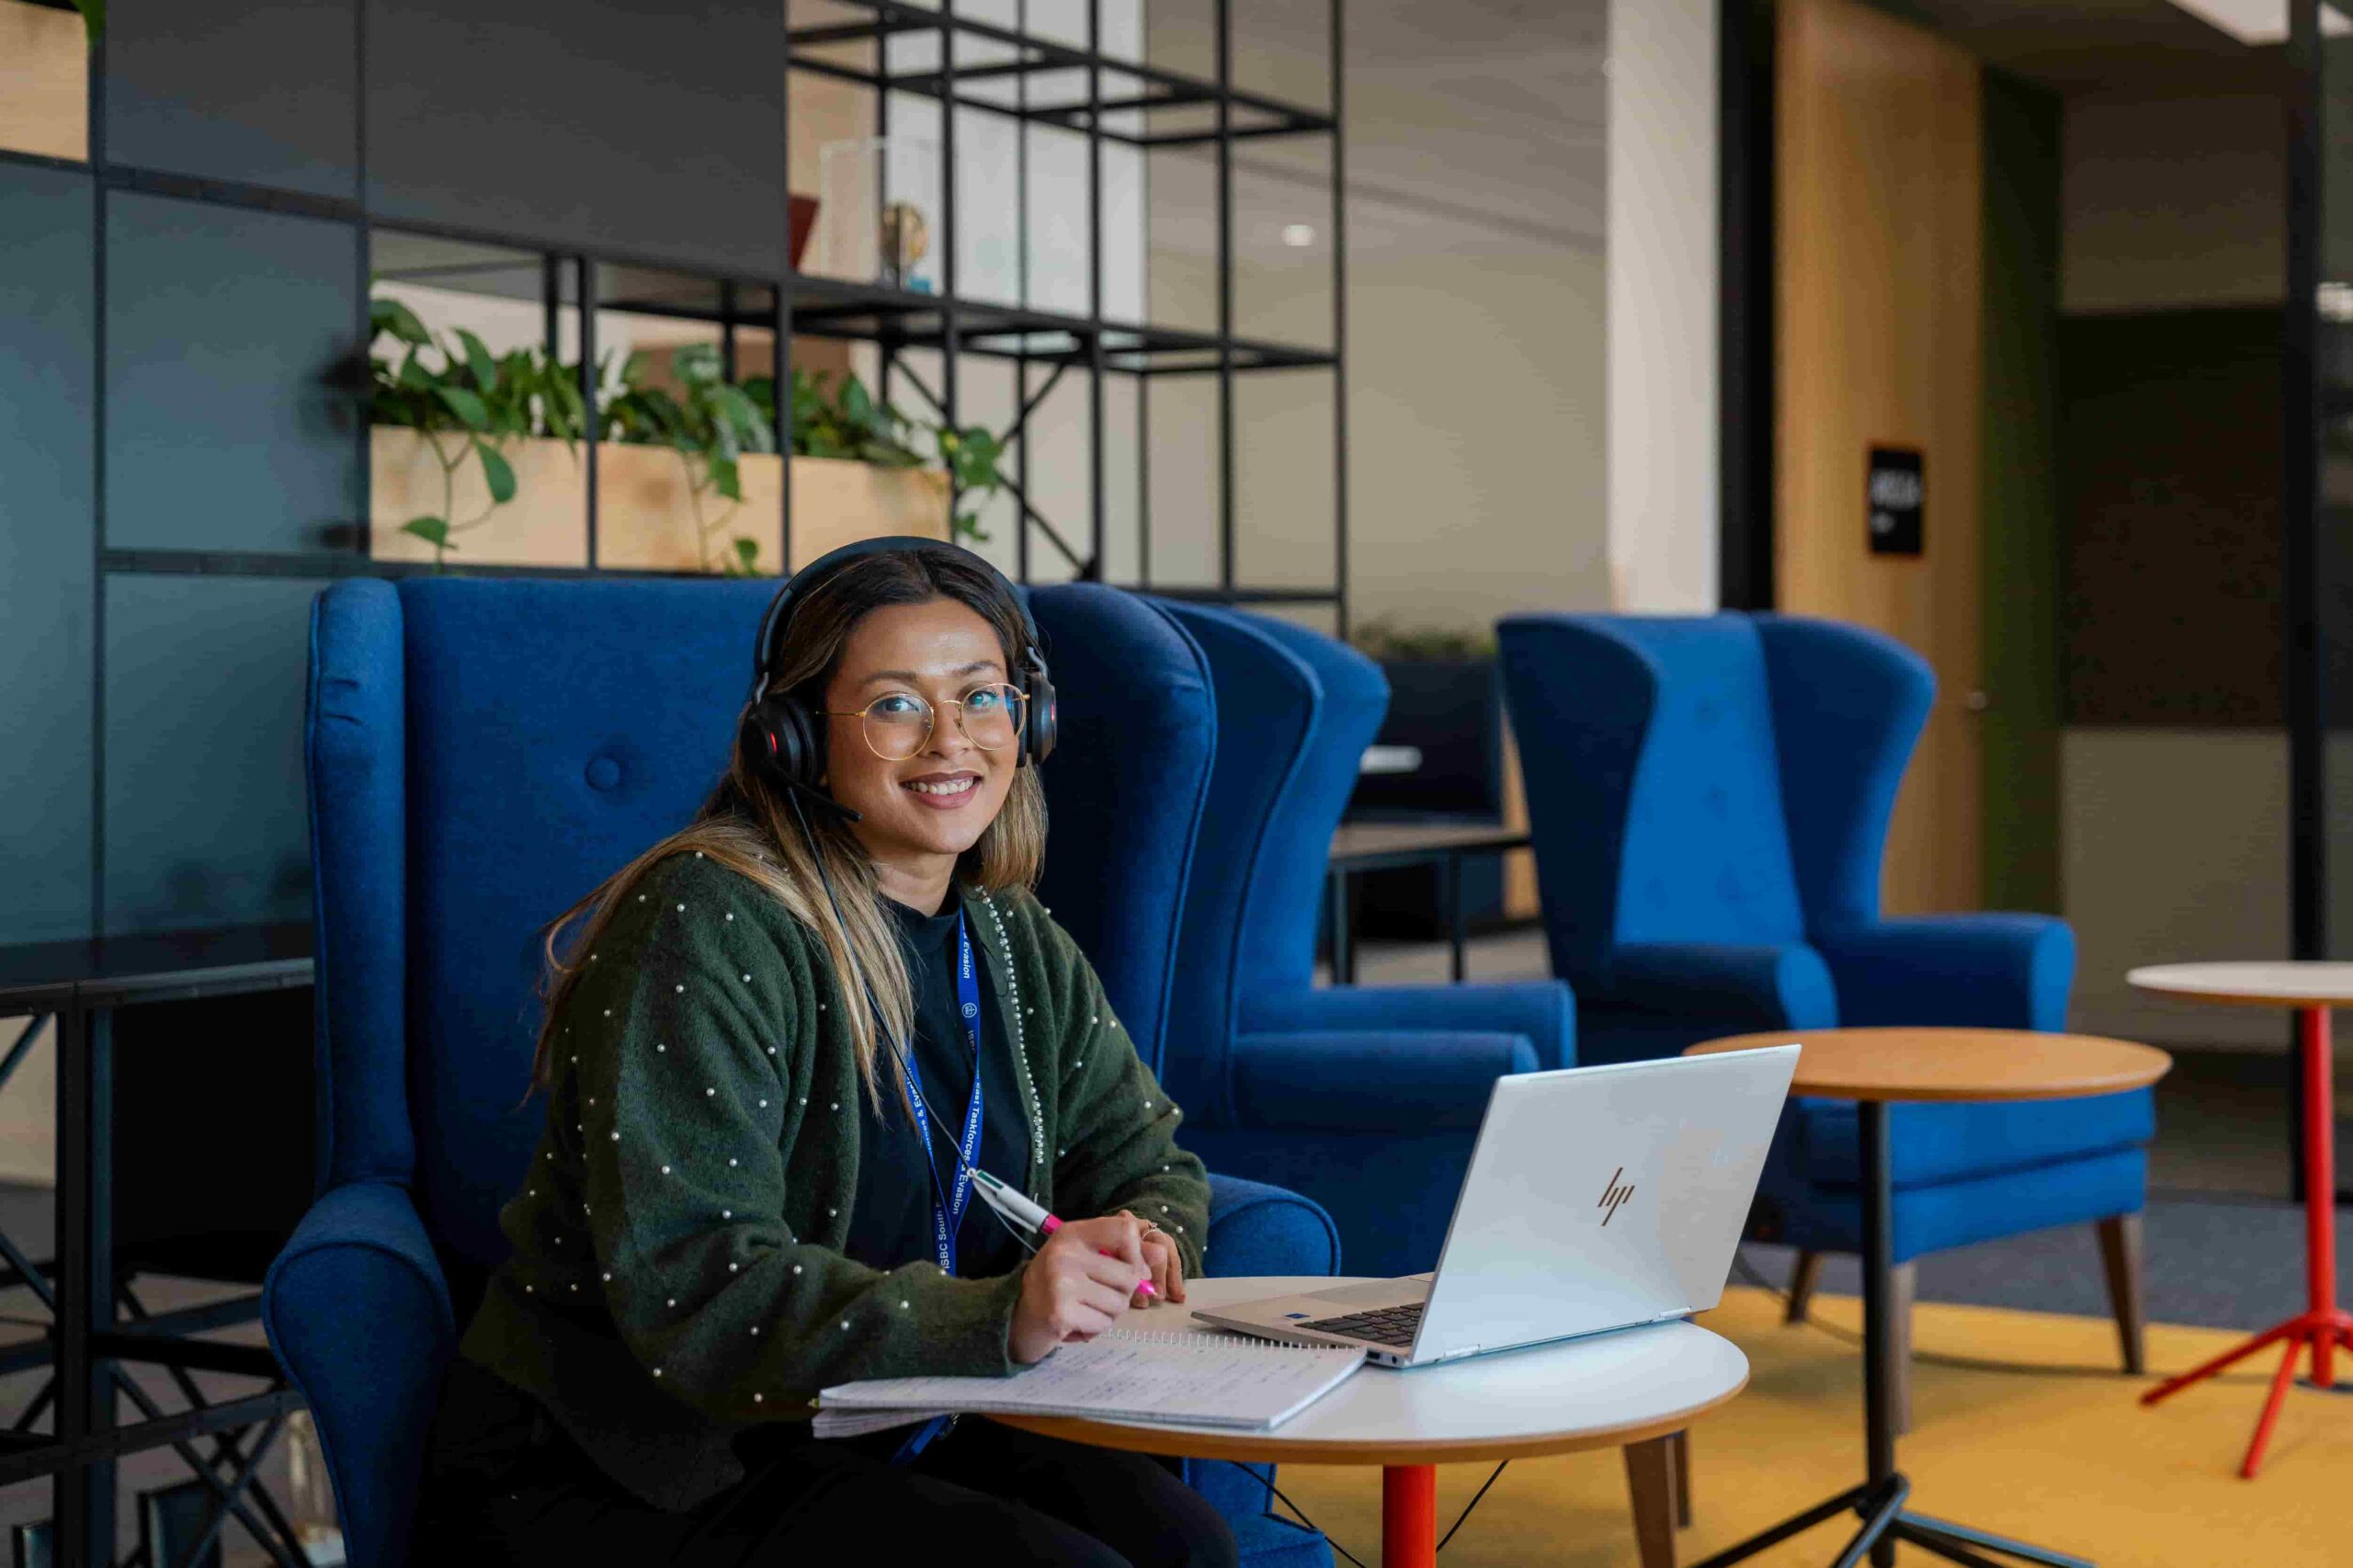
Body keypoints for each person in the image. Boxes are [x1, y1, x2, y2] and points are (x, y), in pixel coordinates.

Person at [417, 540, 1234, 1566]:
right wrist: (998, 1312)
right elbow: (698, 1285)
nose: (952, 738)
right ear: (792, 738)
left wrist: (1146, 1240)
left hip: (897, 1416)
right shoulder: (708, 920)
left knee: (1183, 1543)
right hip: (645, 1463)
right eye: (895, 704)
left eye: (982, 698)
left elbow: (1150, 1159)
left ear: (1029, 723)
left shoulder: (1013, 938)